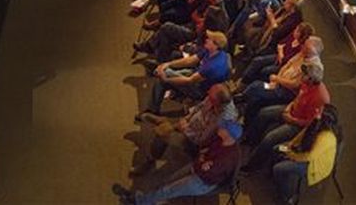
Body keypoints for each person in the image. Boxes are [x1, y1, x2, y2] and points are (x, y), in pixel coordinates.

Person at [112, 119, 242, 205]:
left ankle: (138, 201)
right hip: (198, 168)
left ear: (228, 134)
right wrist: (202, 159)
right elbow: (203, 150)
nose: (220, 127)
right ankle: (146, 199)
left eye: (224, 128)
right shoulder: (221, 139)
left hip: (202, 182)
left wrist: (202, 159)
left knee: (168, 190)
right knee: (168, 182)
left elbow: (206, 172)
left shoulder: (227, 158)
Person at [130, 83, 237, 176]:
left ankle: (150, 160)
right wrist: (186, 119)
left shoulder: (223, 120)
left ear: (217, 102)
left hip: (194, 142)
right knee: (168, 127)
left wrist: (185, 129)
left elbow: (202, 139)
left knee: (162, 135)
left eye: (210, 96)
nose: (207, 92)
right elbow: (198, 107)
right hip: (190, 124)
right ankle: (164, 122)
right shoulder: (213, 97)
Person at [271, 104, 341, 204]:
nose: (316, 109)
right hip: (303, 151)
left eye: (319, 111)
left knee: (279, 168)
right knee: (277, 149)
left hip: (312, 165)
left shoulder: (326, 137)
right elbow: (304, 132)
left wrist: (292, 156)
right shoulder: (317, 122)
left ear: (324, 118)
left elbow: (309, 157)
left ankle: (288, 197)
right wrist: (291, 144)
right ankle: (280, 180)